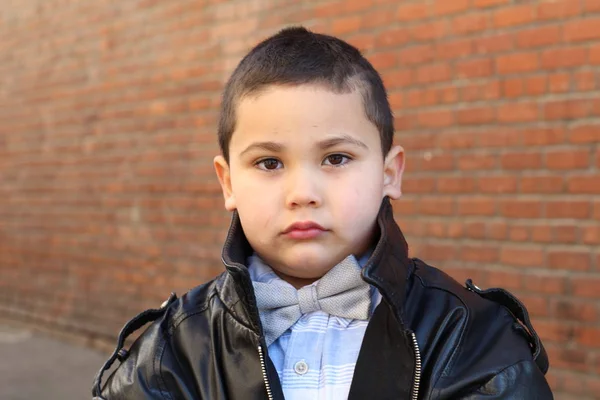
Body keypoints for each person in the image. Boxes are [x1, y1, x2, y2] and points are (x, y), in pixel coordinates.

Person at [92, 26, 553, 399]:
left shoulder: (471, 340)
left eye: (335, 158)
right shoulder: (171, 351)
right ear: (228, 182)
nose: (303, 193)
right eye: (269, 163)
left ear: (389, 173)